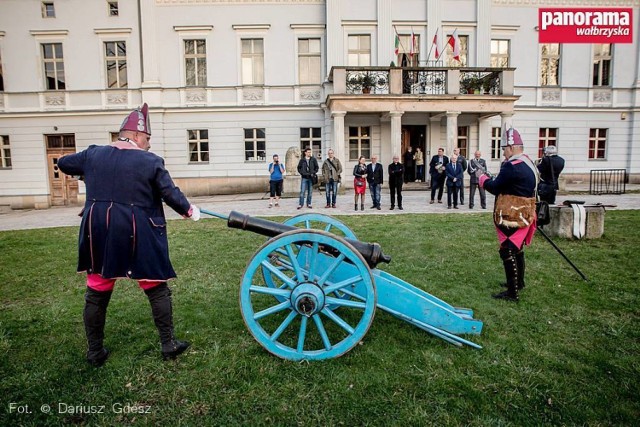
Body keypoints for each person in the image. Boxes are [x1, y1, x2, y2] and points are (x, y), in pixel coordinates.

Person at [57, 103, 198, 367]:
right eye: (147, 139)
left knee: (97, 291)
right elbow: (170, 193)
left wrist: (86, 171)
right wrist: (190, 210)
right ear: (135, 135)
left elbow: (64, 163)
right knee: (156, 288)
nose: (148, 144)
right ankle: (168, 344)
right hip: (137, 231)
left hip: (98, 229)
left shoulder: (93, 155)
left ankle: (95, 352)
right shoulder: (150, 161)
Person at [477, 127, 538, 302]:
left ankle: (513, 293)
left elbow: (495, 187)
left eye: (504, 149)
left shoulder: (511, 166)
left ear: (511, 147)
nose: (503, 153)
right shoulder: (529, 163)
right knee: (517, 250)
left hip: (512, 214)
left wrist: (483, 180)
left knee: (508, 251)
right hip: (525, 212)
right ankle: (519, 283)